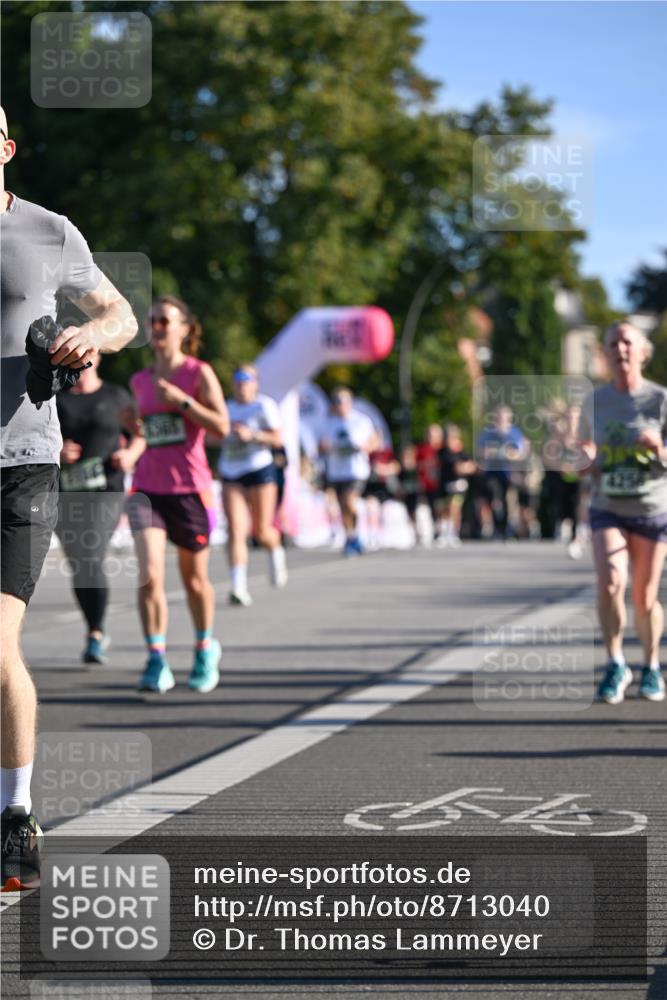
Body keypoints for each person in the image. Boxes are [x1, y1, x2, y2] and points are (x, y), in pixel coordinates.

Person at [0, 106, 137, 890]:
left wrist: (95, 337)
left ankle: (15, 815)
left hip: (23, 463)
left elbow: (118, 313)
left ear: (7, 150)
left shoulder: (51, 231)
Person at [121, 296, 229, 694]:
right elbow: (144, 434)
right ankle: (156, 659)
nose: (158, 327)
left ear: (185, 328)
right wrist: (132, 428)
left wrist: (184, 403)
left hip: (190, 491)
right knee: (150, 576)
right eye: (153, 321)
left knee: (194, 580)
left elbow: (222, 428)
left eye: (165, 320)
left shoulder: (199, 374)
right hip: (148, 489)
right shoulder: (140, 381)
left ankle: (204, 648)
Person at [578, 320, 667, 704]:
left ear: (642, 352)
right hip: (608, 505)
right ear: (606, 353)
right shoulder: (594, 401)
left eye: (627, 343)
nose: (620, 350)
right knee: (611, 582)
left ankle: (651, 665)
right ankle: (615, 662)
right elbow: (582, 452)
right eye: (612, 344)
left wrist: (659, 448)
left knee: (644, 597)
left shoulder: (660, 400)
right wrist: (585, 459)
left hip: (651, 506)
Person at [56, 354, 134, 663]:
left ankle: (96, 634)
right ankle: (93, 626)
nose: (82, 358)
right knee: (79, 564)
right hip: (65, 491)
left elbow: (139, 433)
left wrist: (131, 455)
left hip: (107, 490)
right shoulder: (54, 396)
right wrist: (56, 449)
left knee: (90, 552)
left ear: (98, 356)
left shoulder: (116, 396)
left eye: (88, 351)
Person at [218, 364, 287, 606]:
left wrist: (253, 435)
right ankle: (238, 586)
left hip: (259, 468)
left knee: (262, 530)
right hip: (231, 470)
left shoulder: (264, 406)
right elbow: (210, 435)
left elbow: (278, 439)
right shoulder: (226, 407)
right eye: (238, 378)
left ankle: (275, 551)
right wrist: (222, 435)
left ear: (255, 383)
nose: (242, 383)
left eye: (247, 379)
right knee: (236, 530)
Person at [319, 388, 379, 556]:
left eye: (342, 401)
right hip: (337, 471)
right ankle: (351, 537)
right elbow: (321, 445)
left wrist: (365, 446)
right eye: (336, 402)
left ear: (350, 402)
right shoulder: (328, 423)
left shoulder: (361, 420)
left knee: (349, 502)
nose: (339, 405)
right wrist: (326, 447)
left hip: (356, 470)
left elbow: (375, 440)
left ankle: (358, 532)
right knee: (342, 507)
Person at [476, 406, 529, 539]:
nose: (501, 420)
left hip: (508, 472)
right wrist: (488, 453)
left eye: (504, 418)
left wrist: (509, 454)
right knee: (494, 496)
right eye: (498, 417)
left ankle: (505, 529)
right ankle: (496, 527)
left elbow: (521, 452)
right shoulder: (488, 433)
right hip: (492, 472)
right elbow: (480, 451)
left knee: (507, 500)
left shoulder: (514, 433)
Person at [437, 424, 476, 547]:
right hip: (445, 484)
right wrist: (463, 467)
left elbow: (471, 466)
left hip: (459, 485)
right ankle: (444, 534)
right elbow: (456, 467)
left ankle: (454, 533)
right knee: (443, 510)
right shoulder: (442, 452)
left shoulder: (462, 451)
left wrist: (464, 467)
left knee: (455, 507)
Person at [416, 424, 445, 544]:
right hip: (426, 485)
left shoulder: (443, 449)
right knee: (428, 508)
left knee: (441, 507)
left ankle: (443, 531)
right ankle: (430, 532)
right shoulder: (422, 450)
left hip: (441, 484)